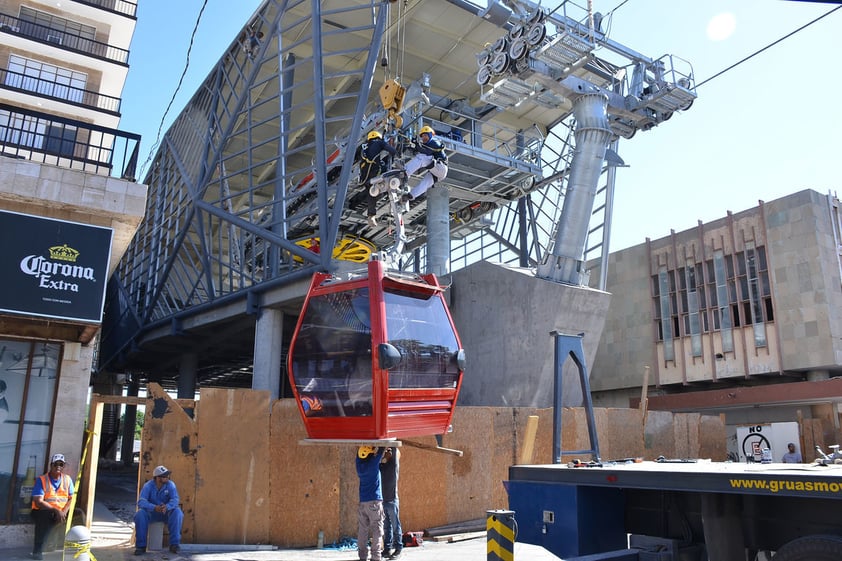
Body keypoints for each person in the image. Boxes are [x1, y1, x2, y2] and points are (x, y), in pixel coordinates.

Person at [30, 453, 74, 560]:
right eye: (56, 464)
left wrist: (63, 511)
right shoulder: (42, 480)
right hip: (43, 510)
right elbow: (38, 501)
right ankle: (37, 550)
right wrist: (56, 510)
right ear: (51, 465)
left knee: (79, 515)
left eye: (61, 464)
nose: (58, 466)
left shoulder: (67, 479)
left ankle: (72, 548)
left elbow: (71, 498)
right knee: (45, 517)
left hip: (61, 511)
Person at [133, 465, 184, 555]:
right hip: (152, 513)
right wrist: (154, 507)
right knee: (140, 514)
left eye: (167, 475)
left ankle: (174, 545)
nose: (167, 477)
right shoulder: (148, 486)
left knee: (177, 512)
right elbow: (141, 502)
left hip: (166, 513)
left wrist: (167, 506)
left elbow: (175, 500)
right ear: (157, 478)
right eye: (164, 476)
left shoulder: (171, 485)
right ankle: (141, 546)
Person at [355, 130, 397, 227]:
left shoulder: (362, 147)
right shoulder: (379, 142)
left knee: (371, 194)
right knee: (388, 170)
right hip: (374, 171)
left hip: (364, 176)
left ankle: (371, 215)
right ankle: (393, 194)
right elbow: (392, 151)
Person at [401, 125, 448, 203]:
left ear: (430, 135)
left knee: (421, 157)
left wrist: (417, 145)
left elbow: (427, 152)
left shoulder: (434, 142)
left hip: (440, 167)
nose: (424, 138)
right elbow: (420, 149)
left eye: (425, 135)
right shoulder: (427, 144)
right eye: (422, 136)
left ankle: (405, 172)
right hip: (437, 171)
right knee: (426, 183)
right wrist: (413, 146)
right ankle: (410, 196)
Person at [356, 446, 385, 561]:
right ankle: (375, 557)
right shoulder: (373, 464)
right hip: (374, 502)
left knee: (363, 530)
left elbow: (359, 455)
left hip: (363, 502)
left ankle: (362, 556)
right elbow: (381, 450)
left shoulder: (359, 465)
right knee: (377, 530)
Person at [380, 447, 403, 559]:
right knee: (386, 527)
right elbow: (376, 459)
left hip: (392, 500)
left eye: (389, 452)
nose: (387, 453)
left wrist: (391, 445)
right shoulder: (382, 467)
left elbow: (394, 450)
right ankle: (387, 549)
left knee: (395, 526)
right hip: (383, 501)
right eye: (386, 451)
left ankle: (398, 548)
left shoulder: (393, 466)